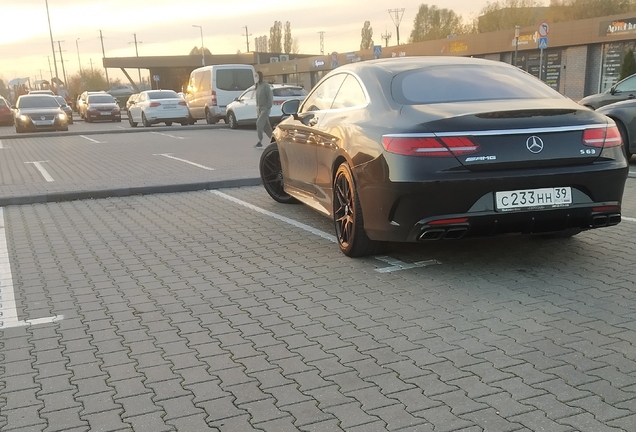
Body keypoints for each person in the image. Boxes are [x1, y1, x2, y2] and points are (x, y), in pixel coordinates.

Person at [254, 71, 273, 149]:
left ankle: (260, 141)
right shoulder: (258, 86)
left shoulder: (265, 86)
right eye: (254, 76)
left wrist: (268, 107)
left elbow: (270, 96)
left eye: (256, 76)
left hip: (265, 109)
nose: (255, 77)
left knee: (259, 124)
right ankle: (274, 139)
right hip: (259, 109)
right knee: (266, 127)